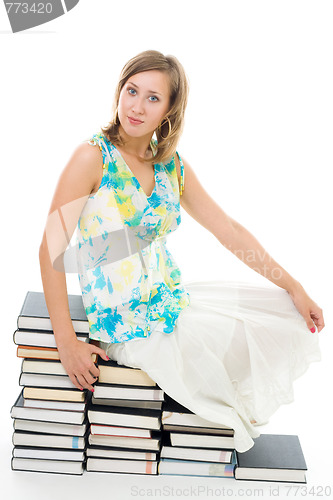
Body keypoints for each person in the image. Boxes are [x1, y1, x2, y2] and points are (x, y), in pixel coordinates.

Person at [39, 50, 324, 452]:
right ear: (119, 91)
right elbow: (49, 250)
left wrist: (294, 286)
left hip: (172, 302)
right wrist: (66, 342)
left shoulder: (171, 165)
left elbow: (229, 230)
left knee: (274, 323)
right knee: (215, 395)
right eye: (132, 91)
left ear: (170, 109)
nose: (136, 106)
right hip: (126, 325)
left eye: (153, 98)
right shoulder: (92, 158)